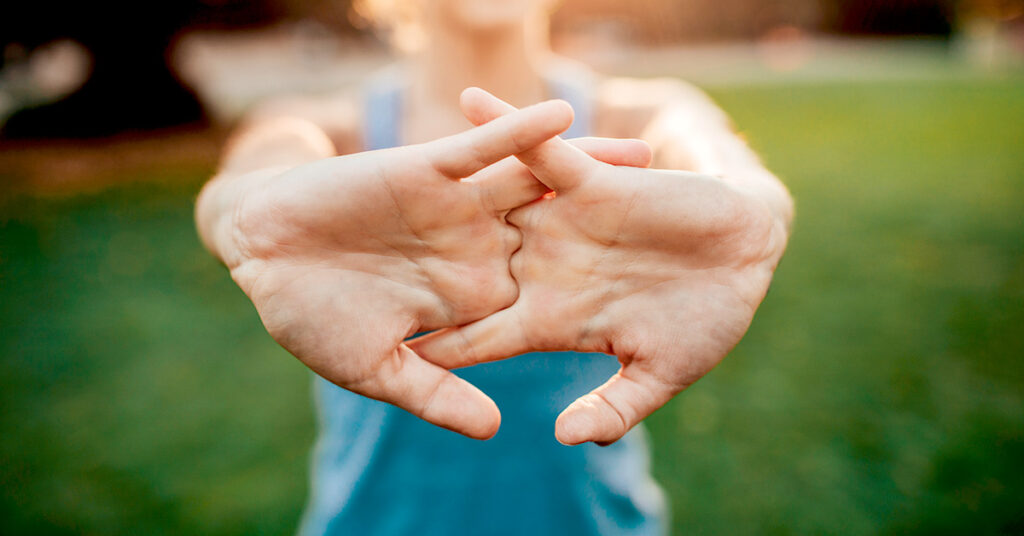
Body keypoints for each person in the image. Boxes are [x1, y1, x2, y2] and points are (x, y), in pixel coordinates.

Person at [194, 1, 793, 534]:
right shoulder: (324, 124)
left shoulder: (638, 113)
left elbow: (714, 158)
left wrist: (755, 209)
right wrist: (245, 217)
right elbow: (258, 173)